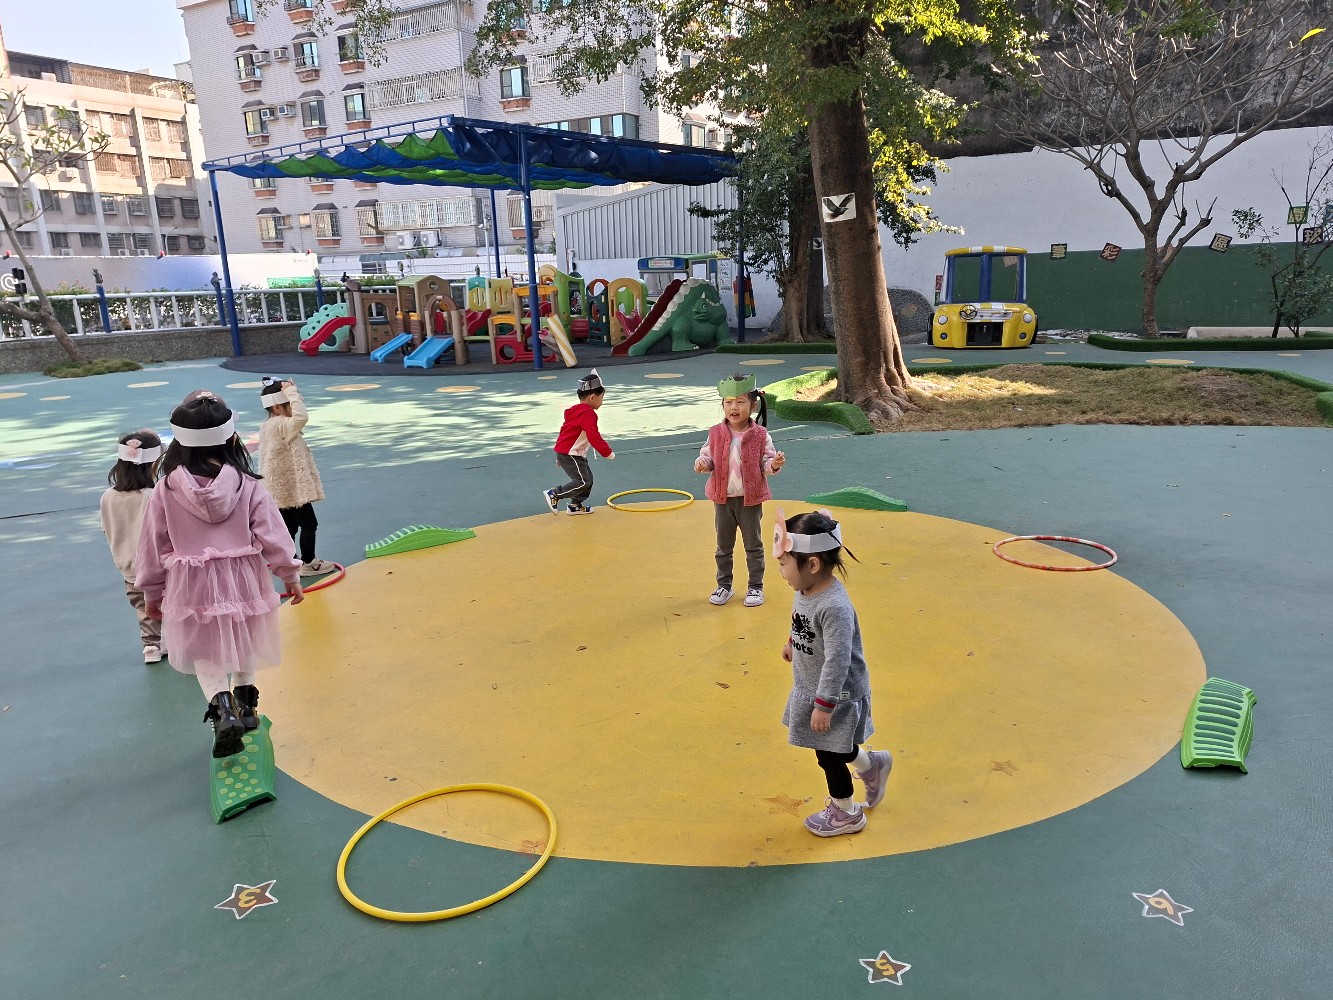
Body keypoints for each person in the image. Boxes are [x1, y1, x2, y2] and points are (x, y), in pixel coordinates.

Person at [136, 390, 305, 759]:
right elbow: (274, 535)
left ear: (180, 442)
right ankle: (247, 705)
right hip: (243, 576)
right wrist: (290, 575)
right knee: (245, 637)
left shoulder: (166, 488)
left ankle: (222, 710)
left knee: (204, 648)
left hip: (191, 581)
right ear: (231, 438)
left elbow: (152, 544)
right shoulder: (247, 483)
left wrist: (152, 592)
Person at [773, 508, 892, 837]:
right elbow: (804, 621)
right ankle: (872, 765)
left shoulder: (834, 606)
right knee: (836, 746)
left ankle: (846, 813)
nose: (781, 572)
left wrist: (824, 705)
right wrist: (793, 642)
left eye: (783, 564)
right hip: (816, 685)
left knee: (829, 755)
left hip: (837, 692)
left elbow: (838, 659)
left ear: (812, 565)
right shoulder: (806, 589)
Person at [693, 374, 785, 607]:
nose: (734, 407)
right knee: (723, 547)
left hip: (749, 501)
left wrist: (773, 465)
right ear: (723, 405)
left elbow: (765, 463)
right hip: (722, 501)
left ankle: (755, 587)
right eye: (729, 402)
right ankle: (724, 585)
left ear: (753, 406)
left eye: (740, 402)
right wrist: (703, 463)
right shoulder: (715, 433)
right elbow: (708, 456)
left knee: (753, 546)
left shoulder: (761, 435)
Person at [100, 430, 165, 664]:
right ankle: (175, 641)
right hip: (158, 565)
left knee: (143, 605)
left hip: (127, 566)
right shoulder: (154, 495)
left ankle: (151, 646)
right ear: (153, 466)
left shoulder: (108, 496)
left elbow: (106, 528)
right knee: (168, 602)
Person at [257, 376, 333, 577]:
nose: (295, 406)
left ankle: (289, 561)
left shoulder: (269, 425)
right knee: (309, 524)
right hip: (292, 490)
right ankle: (309, 562)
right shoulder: (283, 424)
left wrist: (292, 393)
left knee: (289, 528)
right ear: (277, 407)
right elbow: (302, 417)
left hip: (279, 489)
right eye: (289, 403)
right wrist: (291, 391)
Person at [542, 368, 614, 516]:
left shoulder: (576, 411)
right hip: (571, 454)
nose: (602, 401)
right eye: (602, 397)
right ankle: (554, 494)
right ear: (593, 397)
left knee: (588, 479)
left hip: (572, 454)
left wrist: (560, 453)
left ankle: (575, 505)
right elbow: (594, 436)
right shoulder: (588, 414)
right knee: (583, 481)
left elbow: (565, 431)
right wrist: (607, 452)